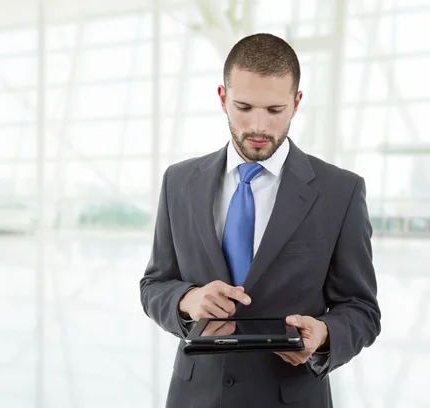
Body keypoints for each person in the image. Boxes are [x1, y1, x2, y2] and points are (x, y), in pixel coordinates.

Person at [139, 33, 381, 408]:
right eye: (244, 106)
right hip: (195, 396)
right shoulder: (179, 181)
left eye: (274, 110)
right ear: (222, 98)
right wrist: (188, 299)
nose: (258, 127)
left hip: (290, 396)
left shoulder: (341, 191)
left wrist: (325, 334)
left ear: (297, 103)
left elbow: (362, 309)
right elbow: (154, 284)